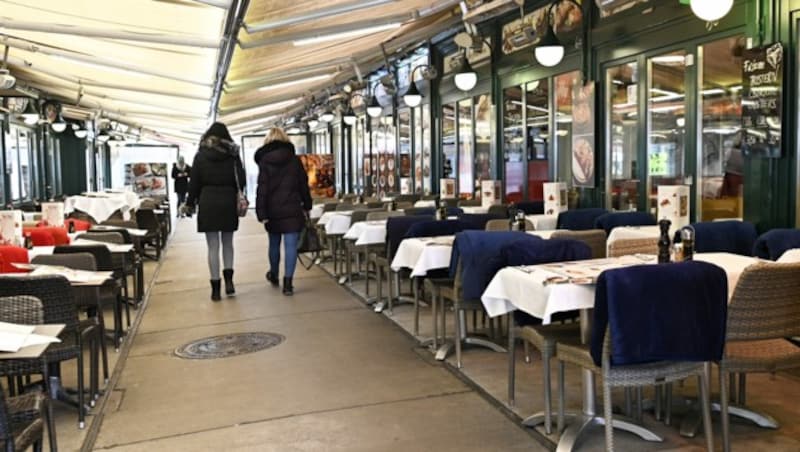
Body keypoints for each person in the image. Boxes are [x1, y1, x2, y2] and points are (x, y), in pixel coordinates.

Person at [184, 122, 246, 301]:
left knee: (212, 246)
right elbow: (241, 179)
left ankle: (215, 287)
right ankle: (229, 282)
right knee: (228, 242)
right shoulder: (233, 155)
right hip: (227, 200)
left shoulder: (201, 155)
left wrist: (189, 203)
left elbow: (193, 182)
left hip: (208, 200)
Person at [255, 128, 312, 296]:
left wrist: (261, 213)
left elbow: (262, 189)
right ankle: (288, 283)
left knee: (274, 244)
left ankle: (274, 274)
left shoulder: (265, 162)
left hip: (272, 211)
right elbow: (303, 185)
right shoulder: (294, 161)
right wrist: (307, 204)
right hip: (293, 209)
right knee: (291, 246)